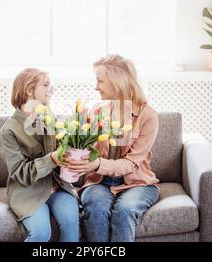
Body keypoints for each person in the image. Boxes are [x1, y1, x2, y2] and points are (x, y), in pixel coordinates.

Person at [65, 55, 160, 242]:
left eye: (100, 81)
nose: (95, 87)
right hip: (100, 182)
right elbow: (86, 148)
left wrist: (97, 163)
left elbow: (132, 163)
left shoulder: (147, 116)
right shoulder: (97, 111)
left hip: (137, 183)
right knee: (95, 208)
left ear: (118, 82)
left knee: (125, 211)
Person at [0, 68, 80, 242]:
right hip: (28, 193)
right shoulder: (9, 131)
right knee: (41, 233)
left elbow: (62, 148)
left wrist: (75, 149)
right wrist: (52, 159)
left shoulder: (48, 119)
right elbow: (20, 173)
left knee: (71, 223)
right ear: (29, 90)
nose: (52, 90)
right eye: (46, 85)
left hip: (58, 188)